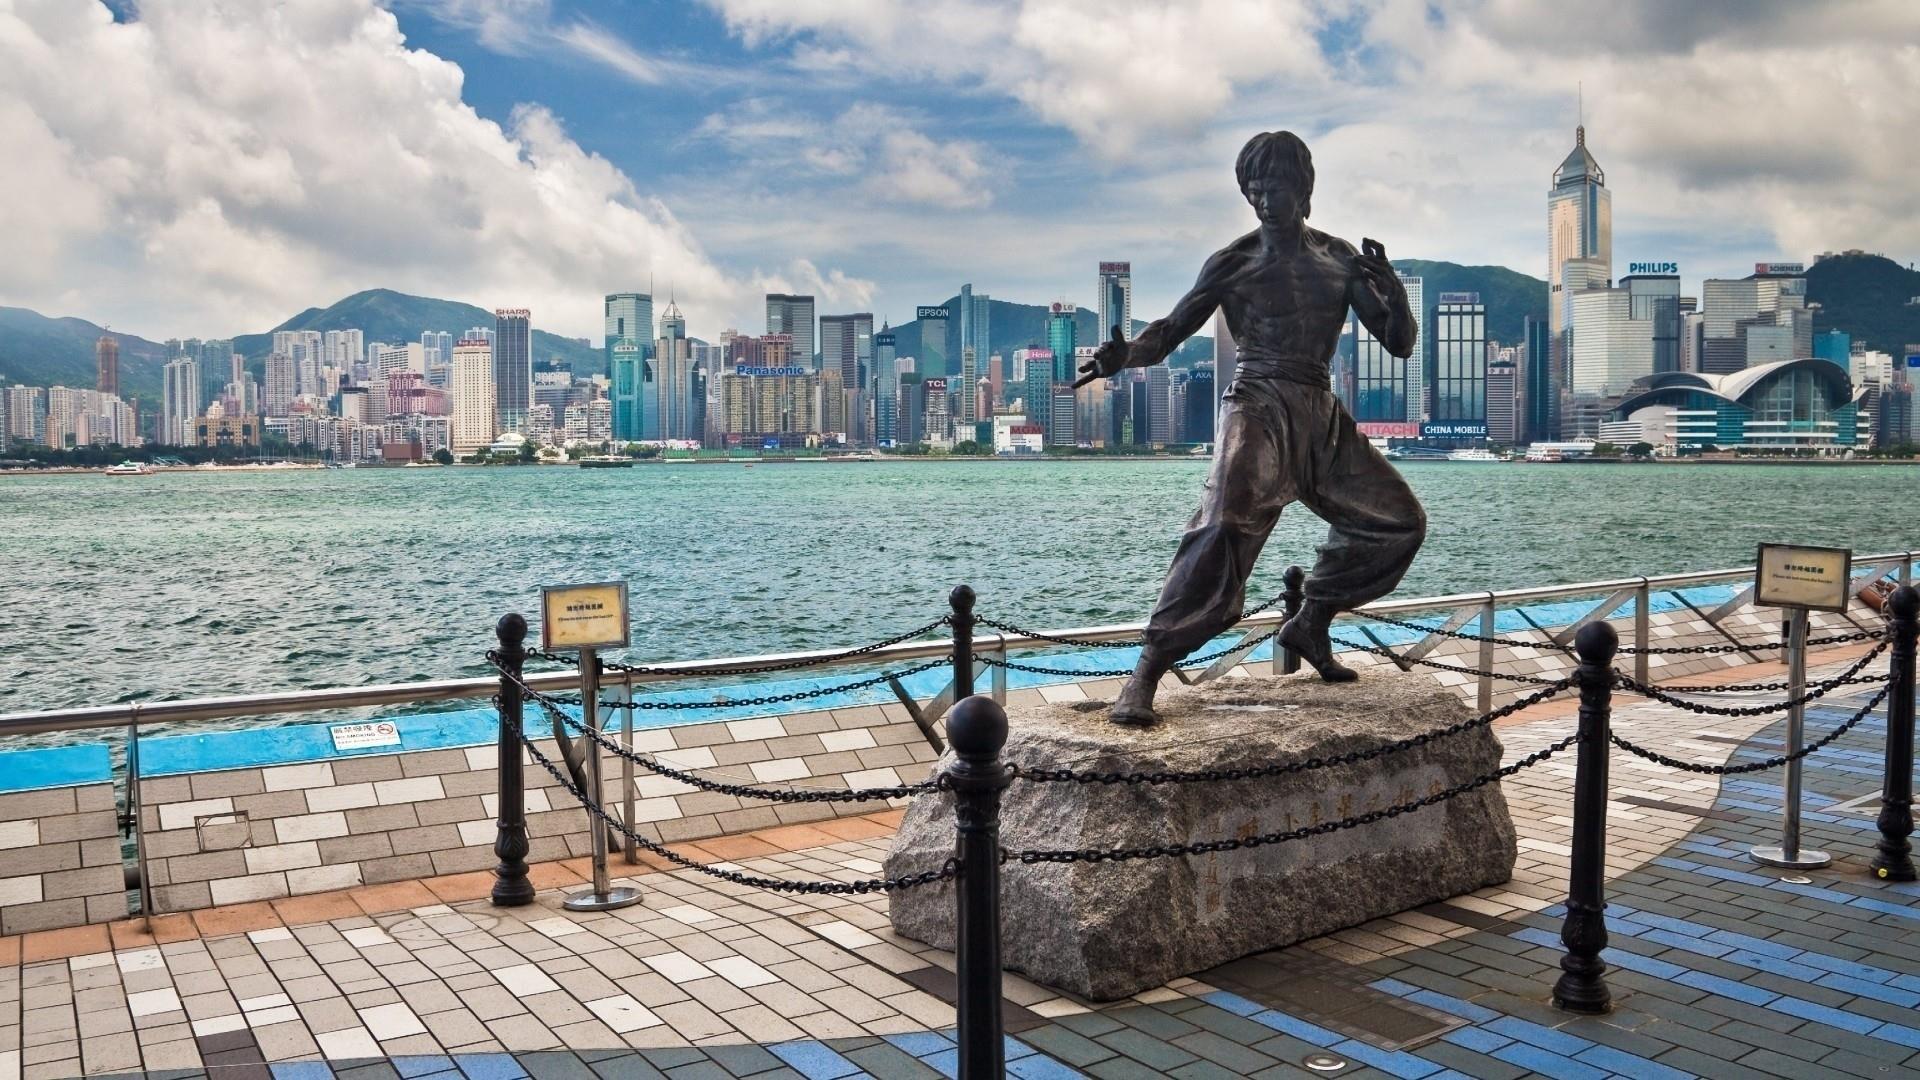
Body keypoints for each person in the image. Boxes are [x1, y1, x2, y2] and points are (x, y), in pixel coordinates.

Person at [1080, 130, 1426, 726]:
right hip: (1257, 405)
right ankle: (1146, 672)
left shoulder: (1341, 259)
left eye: (1277, 188)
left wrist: (1395, 296)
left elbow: (1399, 344)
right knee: (1220, 529)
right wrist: (1124, 356)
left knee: (1399, 522)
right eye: (1256, 190)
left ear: (1304, 189)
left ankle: (1310, 622)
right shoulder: (1233, 263)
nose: (1266, 200)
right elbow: (1169, 332)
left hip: (1318, 409)